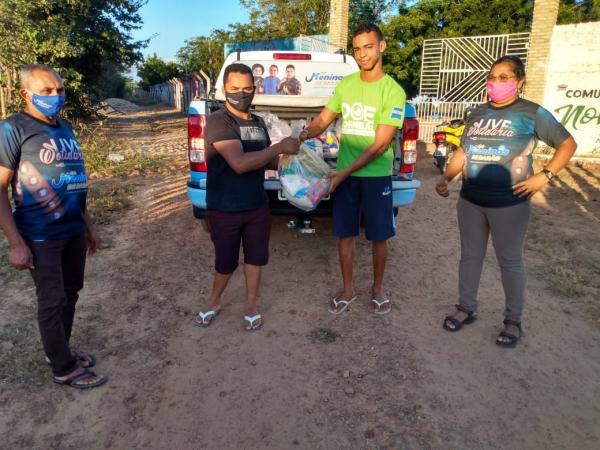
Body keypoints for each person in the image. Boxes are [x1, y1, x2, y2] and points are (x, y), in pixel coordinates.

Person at [436, 55, 577, 347]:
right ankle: (466, 308)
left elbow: (567, 143)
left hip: (510, 204)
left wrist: (545, 176)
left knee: (510, 261)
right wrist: (446, 177)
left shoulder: (532, 113)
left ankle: (513, 321)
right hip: (471, 200)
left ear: (519, 81)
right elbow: (465, 151)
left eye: (504, 78)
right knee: (470, 256)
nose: (496, 83)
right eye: (493, 77)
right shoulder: (477, 113)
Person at [0, 64, 107, 388]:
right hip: (40, 233)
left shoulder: (65, 128)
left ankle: (60, 351)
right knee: (52, 299)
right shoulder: (12, 128)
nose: (55, 96)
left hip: (72, 228)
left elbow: (76, 181)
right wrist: (16, 243)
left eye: (59, 90)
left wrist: (87, 226)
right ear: (25, 94)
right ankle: (63, 368)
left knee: (71, 293)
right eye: (46, 91)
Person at [299, 23, 407, 315]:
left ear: (382, 47)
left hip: (374, 178)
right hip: (345, 178)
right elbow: (323, 121)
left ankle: (377, 290)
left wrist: (342, 173)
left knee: (378, 236)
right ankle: (348, 290)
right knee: (345, 234)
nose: (362, 54)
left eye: (368, 47)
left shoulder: (393, 91)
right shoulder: (346, 85)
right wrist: (301, 135)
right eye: (357, 49)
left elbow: (381, 144)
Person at [195, 63, 299, 331]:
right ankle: (214, 301)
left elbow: (264, 161)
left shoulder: (258, 122)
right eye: (234, 89)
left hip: (256, 205)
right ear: (223, 90)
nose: (241, 94)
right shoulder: (219, 122)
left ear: (254, 90)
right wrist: (278, 147)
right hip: (225, 207)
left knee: (255, 258)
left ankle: (251, 305)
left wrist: (293, 162)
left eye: (247, 89)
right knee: (225, 262)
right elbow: (239, 163)